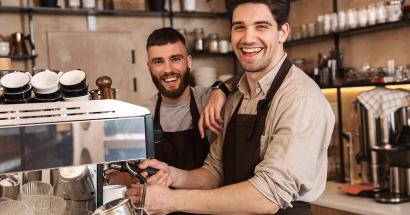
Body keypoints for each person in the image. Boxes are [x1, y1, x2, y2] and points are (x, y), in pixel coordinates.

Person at [126, 1, 335, 214]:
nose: (248, 38)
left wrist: (172, 200)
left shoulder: (300, 99)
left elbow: (269, 195)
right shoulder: (235, 96)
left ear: (283, 32)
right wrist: (172, 174)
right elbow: (216, 171)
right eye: (239, 27)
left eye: (261, 26)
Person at [105, 27, 236, 187]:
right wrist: (104, 180)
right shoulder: (141, 114)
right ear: (149, 67)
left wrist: (220, 89)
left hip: (207, 202)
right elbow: (130, 173)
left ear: (188, 61)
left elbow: (246, 79)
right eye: (159, 61)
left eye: (175, 59)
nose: (168, 70)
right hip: (160, 207)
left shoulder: (208, 100)